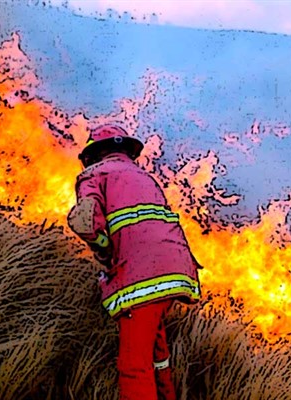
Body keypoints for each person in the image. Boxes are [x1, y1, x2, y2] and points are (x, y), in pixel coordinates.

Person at [67, 124, 202, 400]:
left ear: (95, 154)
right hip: (178, 270)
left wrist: (104, 253)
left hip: (140, 276)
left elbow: (85, 221)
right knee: (156, 354)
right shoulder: (145, 177)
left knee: (133, 367)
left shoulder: (94, 174)